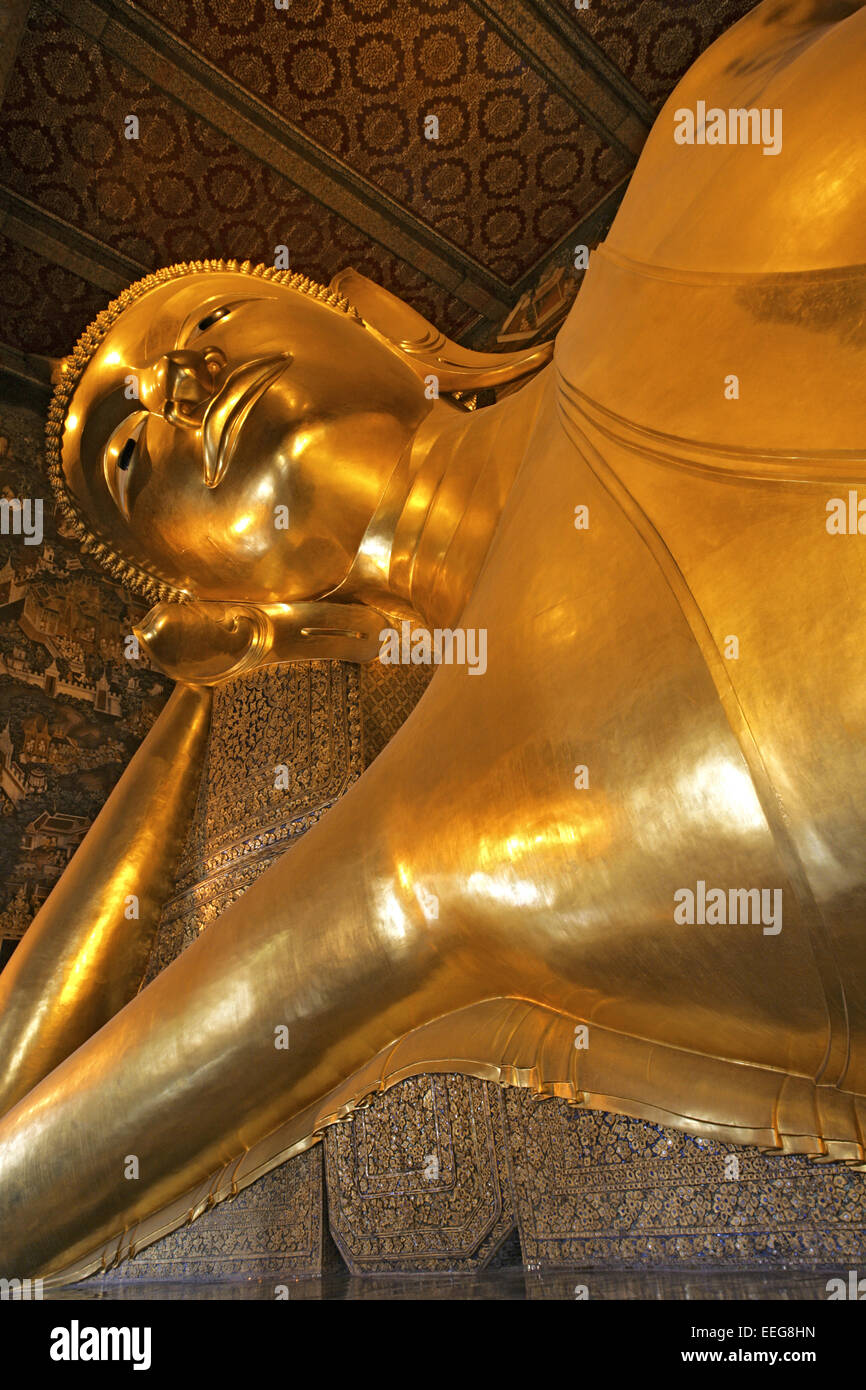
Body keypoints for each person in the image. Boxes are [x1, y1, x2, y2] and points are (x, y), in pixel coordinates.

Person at [2, 0, 866, 1285]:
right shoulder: (447, 833)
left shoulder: (714, 140)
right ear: (213, 606)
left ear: (382, 324)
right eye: (133, 454)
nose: (177, 389)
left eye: (205, 328)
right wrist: (213, 691)